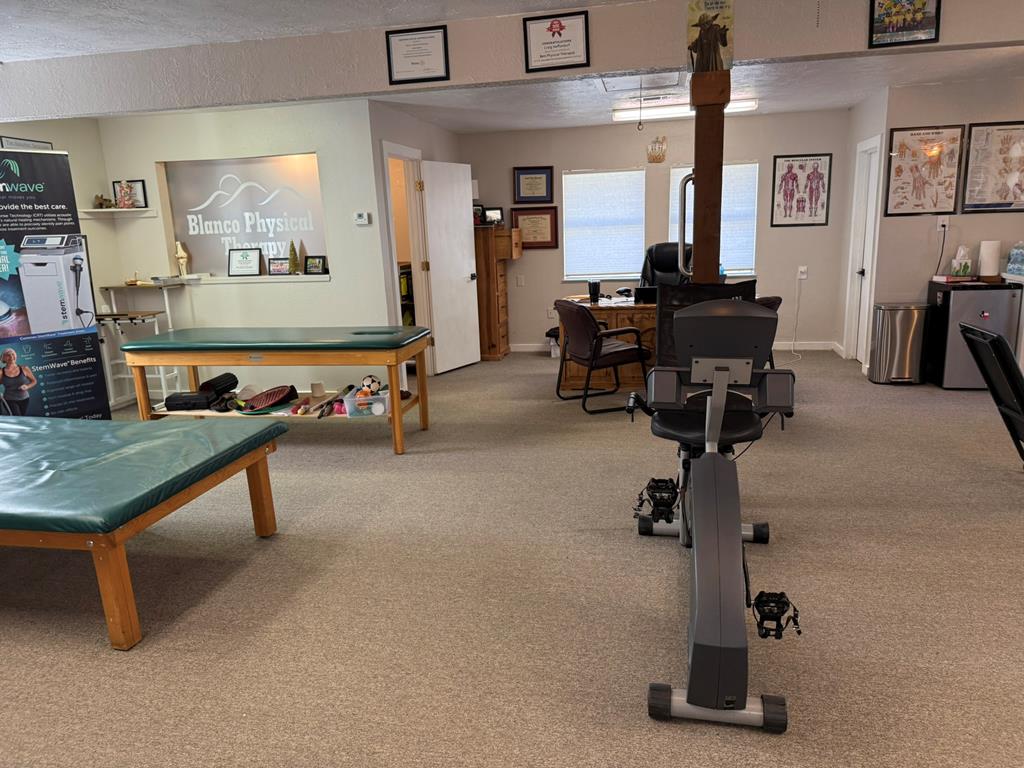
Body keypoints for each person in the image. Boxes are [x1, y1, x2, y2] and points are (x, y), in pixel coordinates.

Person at [1, 347, 36, 416]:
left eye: (13, 354)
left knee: (21, 418)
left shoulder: (24, 368)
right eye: (8, 355)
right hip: (9, 399)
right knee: (17, 416)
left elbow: (34, 381)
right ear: (3, 358)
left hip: (25, 399)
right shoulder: (1, 372)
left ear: (16, 356)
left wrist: (27, 386)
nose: (11, 357)